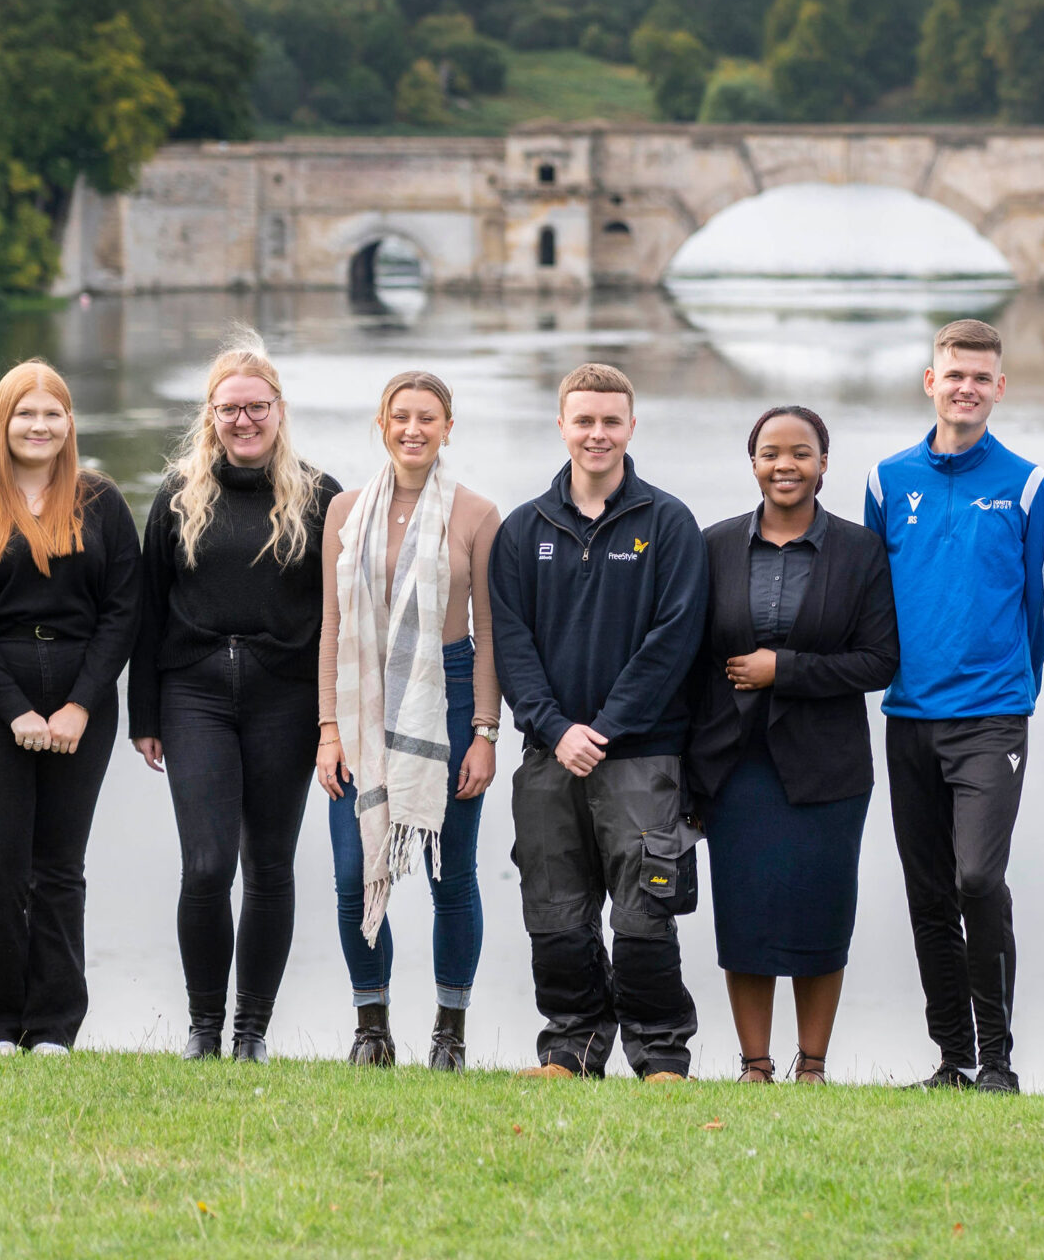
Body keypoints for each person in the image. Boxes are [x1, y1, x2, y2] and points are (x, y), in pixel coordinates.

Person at [490, 363, 708, 1081]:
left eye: (611, 420)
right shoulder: (524, 529)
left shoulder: (668, 523)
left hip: (642, 755)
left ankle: (659, 1054)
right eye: (584, 420)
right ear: (562, 426)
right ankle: (571, 1046)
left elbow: (673, 640)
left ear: (631, 427)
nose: (597, 433)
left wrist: (605, 727)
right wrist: (557, 729)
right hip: (550, 755)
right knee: (553, 909)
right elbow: (512, 644)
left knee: (645, 912)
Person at [130, 332, 341, 1063]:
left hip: (286, 698)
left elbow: (342, 618)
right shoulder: (178, 496)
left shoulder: (320, 497)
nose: (243, 421)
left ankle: (251, 1030)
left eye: (256, 407)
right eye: (229, 409)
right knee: (208, 864)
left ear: (279, 410)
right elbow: (147, 609)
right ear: (210, 415)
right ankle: (203, 1025)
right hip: (194, 696)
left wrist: (331, 719)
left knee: (271, 865)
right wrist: (144, 715)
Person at [686, 406, 899, 1083]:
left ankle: (812, 1063)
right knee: (744, 913)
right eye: (771, 452)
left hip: (826, 767)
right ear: (752, 463)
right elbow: (689, 662)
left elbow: (879, 662)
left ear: (824, 463)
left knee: (821, 910)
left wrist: (787, 669)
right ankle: (754, 1063)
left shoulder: (861, 551)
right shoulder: (713, 545)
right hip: (733, 763)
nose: (786, 465)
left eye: (801, 452)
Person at [866, 318, 1044, 1093]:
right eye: (954, 373)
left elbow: (1043, 607)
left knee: (980, 877)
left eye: (981, 376)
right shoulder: (886, 479)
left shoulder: (1029, 483)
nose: (966, 386)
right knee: (929, 889)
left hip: (991, 718)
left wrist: (1016, 685)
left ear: (999, 387)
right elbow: (874, 598)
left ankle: (998, 1058)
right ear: (931, 381)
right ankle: (954, 1057)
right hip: (908, 716)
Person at [0, 360, 139, 1054]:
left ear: (70, 423)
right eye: (26, 413)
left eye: (53, 413)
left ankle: (52, 1024)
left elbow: (122, 612)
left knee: (59, 867)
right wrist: (14, 708)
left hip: (83, 693)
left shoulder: (102, 502)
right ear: (3, 421)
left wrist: (81, 704)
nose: (40, 425)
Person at [316, 371, 500, 1071]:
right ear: (382, 422)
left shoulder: (478, 515)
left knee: (453, 873)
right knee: (350, 872)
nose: (413, 428)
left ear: (448, 427)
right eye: (401, 416)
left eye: (428, 417)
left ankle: (449, 1031)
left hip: (446, 695)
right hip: (361, 702)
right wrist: (328, 729)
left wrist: (485, 732)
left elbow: (490, 634)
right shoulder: (345, 510)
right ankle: (373, 1026)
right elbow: (331, 629)